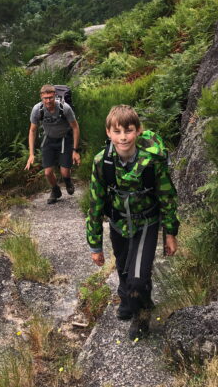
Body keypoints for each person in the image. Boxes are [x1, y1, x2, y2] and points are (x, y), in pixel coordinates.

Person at [86, 104, 179, 340]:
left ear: (137, 131)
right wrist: (95, 245)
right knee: (124, 267)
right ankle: (127, 295)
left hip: (146, 223)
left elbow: (167, 197)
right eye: (117, 132)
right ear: (108, 133)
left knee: (138, 278)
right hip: (118, 224)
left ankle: (141, 316)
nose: (123, 137)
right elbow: (95, 204)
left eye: (128, 130)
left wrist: (170, 232)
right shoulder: (102, 163)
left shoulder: (152, 161)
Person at [25, 84, 81, 204]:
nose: (48, 100)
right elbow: (32, 130)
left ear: (55, 95)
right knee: (48, 172)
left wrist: (75, 150)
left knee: (64, 172)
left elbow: (75, 128)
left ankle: (67, 181)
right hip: (48, 139)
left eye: (50, 97)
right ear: (41, 97)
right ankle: (55, 190)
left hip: (64, 139)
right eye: (45, 98)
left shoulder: (64, 108)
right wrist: (31, 154)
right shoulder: (37, 110)